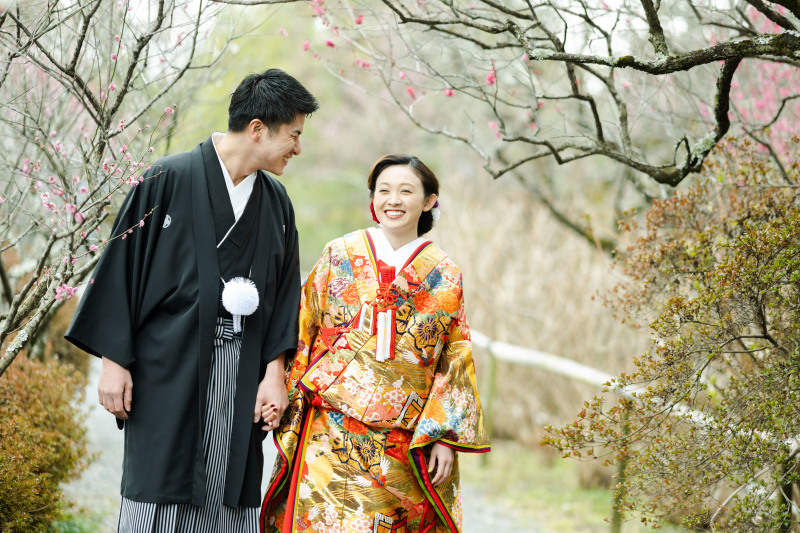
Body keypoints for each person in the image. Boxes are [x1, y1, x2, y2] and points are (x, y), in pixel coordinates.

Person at [64, 68, 319, 533]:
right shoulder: (166, 178)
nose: (298, 149)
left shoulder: (277, 203)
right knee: (160, 487)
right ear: (258, 128)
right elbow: (122, 270)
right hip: (167, 368)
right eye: (294, 135)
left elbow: (285, 297)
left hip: (242, 375)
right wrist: (113, 361)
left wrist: (275, 373)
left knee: (230, 489)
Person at [260, 154, 490, 533]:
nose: (393, 200)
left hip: (402, 441)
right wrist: (277, 383)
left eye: (406, 191)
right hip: (328, 429)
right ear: (373, 199)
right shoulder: (339, 254)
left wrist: (445, 437)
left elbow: (455, 357)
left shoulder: (446, 276)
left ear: (430, 200)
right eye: (384, 190)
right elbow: (301, 326)